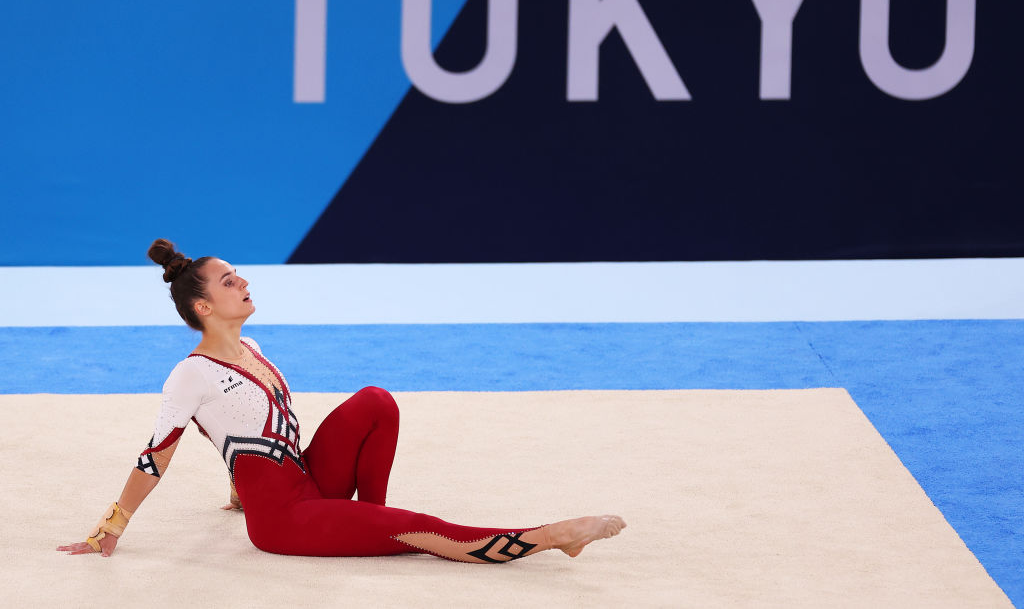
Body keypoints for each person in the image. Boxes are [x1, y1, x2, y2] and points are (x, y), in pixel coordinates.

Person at [58, 239, 625, 562]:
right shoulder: (189, 375)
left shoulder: (251, 346)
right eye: (229, 281)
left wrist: (234, 485)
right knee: (421, 527)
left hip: (307, 481)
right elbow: (156, 455)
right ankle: (550, 538)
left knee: (375, 401)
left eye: (237, 274)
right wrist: (109, 528)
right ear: (202, 307)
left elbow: (236, 426)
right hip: (282, 520)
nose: (243, 281)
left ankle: (369, 518)